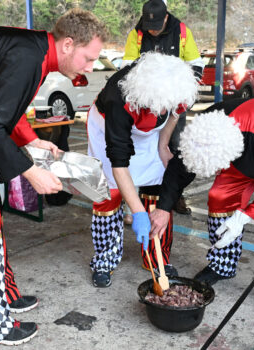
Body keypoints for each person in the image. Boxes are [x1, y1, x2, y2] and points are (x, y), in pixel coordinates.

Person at [0, 8, 107, 347]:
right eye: (89, 58)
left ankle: (1, 297)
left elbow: (0, 104)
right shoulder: (29, 58)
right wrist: (31, 173)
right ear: (69, 44)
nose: (90, 68)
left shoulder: (34, 50)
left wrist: (31, 140)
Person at [87, 51, 198, 287]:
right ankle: (104, 259)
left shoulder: (177, 84)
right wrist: (137, 211)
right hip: (107, 127)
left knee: (158, 186)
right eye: (158, 107)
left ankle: (156, 257)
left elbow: (175, 114)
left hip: (149, 135)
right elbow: (119, 164)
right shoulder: (120, 99)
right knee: (110, 192)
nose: (162, 111)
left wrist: (162, 144)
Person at [177, 98, 254, 320]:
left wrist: (244, 217)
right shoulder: (213, 122)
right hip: (243, 147)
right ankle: (223, 265)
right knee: (220, 196)